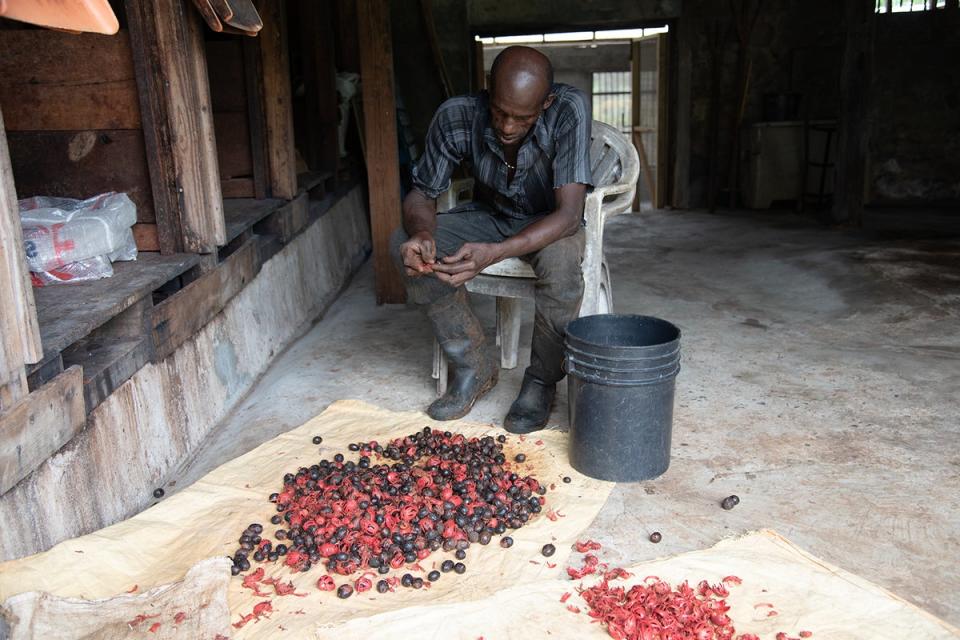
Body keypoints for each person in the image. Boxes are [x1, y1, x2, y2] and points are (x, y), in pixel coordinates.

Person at [391, 45, 592, 433]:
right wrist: (422, 233)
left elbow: (568, 215)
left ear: (546, 102)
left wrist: (495, 253)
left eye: (523, 117)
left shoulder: (569, 109)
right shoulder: (456, 115)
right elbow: (422, 193)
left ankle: (541, 381)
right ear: (487, 90)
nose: (507, 126)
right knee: (402, 242)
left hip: (549, 222)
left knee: (562, 263)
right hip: (491, 216)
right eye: (500, 111)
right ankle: (474, 364)